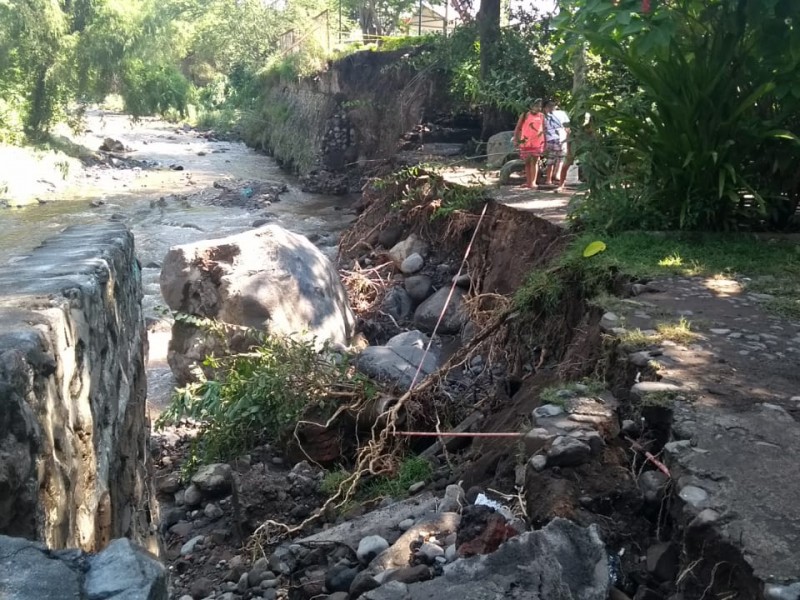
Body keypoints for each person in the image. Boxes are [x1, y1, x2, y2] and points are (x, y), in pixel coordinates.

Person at [513, 98, 545, 189]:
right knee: (527, 162)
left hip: (537, 142)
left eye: (540, 106)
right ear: (531, 106)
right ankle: (528, 182)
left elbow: (544, 129)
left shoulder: (541, 116)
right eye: (536, 106)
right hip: (525, 142)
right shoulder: (525, 115)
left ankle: (533, 183)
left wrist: (545, 142)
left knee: (535, 162)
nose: (538, 108)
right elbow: (518, 128)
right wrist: (516, 139)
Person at [543, 100, 568, 187]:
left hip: (550, 139)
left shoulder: (544, 116)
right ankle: (557, 175)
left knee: (550, 159)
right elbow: (567, 127)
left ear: (546, 108)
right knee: (561, 158)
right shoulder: (562, 113)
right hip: (561, 138)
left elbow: (543, 129)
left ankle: (548, 180)